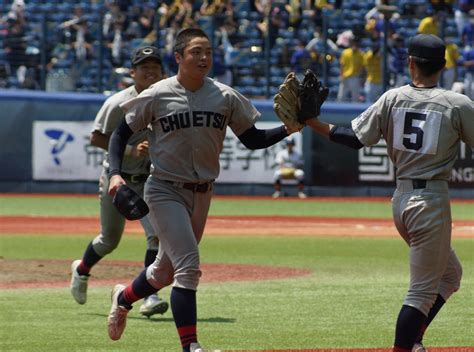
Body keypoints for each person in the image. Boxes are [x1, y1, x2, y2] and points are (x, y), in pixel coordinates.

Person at [105, 28, 298, 352]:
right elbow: (119, 134)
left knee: (164, 271)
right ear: (178, 57)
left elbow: (252, 139)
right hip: (164, 189)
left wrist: (290, 128)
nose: (204, 57)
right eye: (196, 51)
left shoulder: (224, 96)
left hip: (203, 193)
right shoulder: (156, 94)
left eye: (208, 51)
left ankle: (123, 297)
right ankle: (191, 346)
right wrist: (115, 174)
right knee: (188, 266)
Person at [301, 34, 473, 352]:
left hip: (402, 202)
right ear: (444, 66)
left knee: (450, 275)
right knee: (420, 293)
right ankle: (404, 347)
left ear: (410, 62)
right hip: (430, 202)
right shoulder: (456, 103)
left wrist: (311, 121)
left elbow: (353, 138)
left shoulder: (392, 97)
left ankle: (414, 340)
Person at [70, 46, 169, 318]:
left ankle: (151, 295)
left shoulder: (167, 100)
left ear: (163, 72)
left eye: (155, 67)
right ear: (133, 72)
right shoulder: (117, 102)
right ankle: (81, 270)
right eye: (144, 67)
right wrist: (130, 151)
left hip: (150, 181)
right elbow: (97, 137)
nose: (150, 71)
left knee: (156, 237)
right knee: (109, 240)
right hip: (118, 180)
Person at [337, 37, 364, 102]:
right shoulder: (345, 52)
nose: (355, 45)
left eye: (356, 44)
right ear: (351, 44)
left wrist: (362, 77)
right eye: (354, 44)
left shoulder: (361, 54)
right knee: (341, 97)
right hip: (345, 76)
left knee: (355, 98)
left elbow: (362, 67)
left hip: (355, 77)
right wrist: (341, 75)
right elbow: (342, 65)